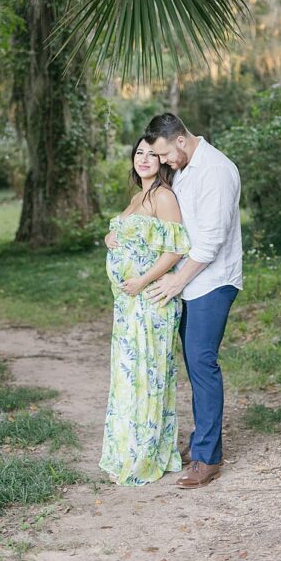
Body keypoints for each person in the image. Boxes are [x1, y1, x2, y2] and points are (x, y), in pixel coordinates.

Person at [143, 113, 242, 489]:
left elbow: (211, 243)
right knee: (194, 364)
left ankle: (208, 458)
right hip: (191, 283)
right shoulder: (185, 167)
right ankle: (202, 441)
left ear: (180, 141)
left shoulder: (215, 170)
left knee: (202, 363)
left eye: (166, 154)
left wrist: (175, 282)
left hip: (212, 282)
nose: (165, 161)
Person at [99, 136, 191, 485]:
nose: (144, 159)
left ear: (163, 161)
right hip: (127, 306)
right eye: (139, 153)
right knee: (128, 378)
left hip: (151, 301)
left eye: (152, 154)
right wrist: (112, 238)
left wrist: (141, 282)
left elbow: (175, 250)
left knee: (147, 376)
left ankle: (147, 455)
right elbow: (132, 237)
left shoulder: (164, 197)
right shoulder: (138, 197)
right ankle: (128, 450)